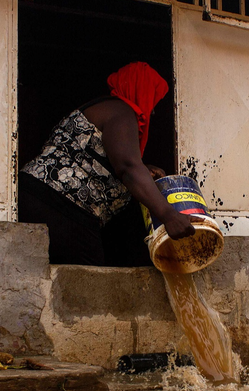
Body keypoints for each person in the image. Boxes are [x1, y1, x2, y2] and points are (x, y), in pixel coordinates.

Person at [19, 62, 196, 265]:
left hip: (37, 197)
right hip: (61, 207)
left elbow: (99, 157)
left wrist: (143, 169)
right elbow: (128, 167)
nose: (153, 110)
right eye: (152, 99)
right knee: (88, 281)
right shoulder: (122, 111)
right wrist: (169, 215)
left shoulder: (105, 109)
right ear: (142, 91)